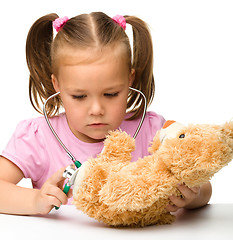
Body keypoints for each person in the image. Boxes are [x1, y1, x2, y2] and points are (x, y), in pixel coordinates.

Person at [0, 12, 212, 216]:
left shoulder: (153, 131)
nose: (96, 109)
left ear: (130, 80)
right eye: (79, 96)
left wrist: (194, 195)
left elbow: (203, 186)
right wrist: (35, 200)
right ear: (57, 85)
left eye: (110, 94)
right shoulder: (37, 137)